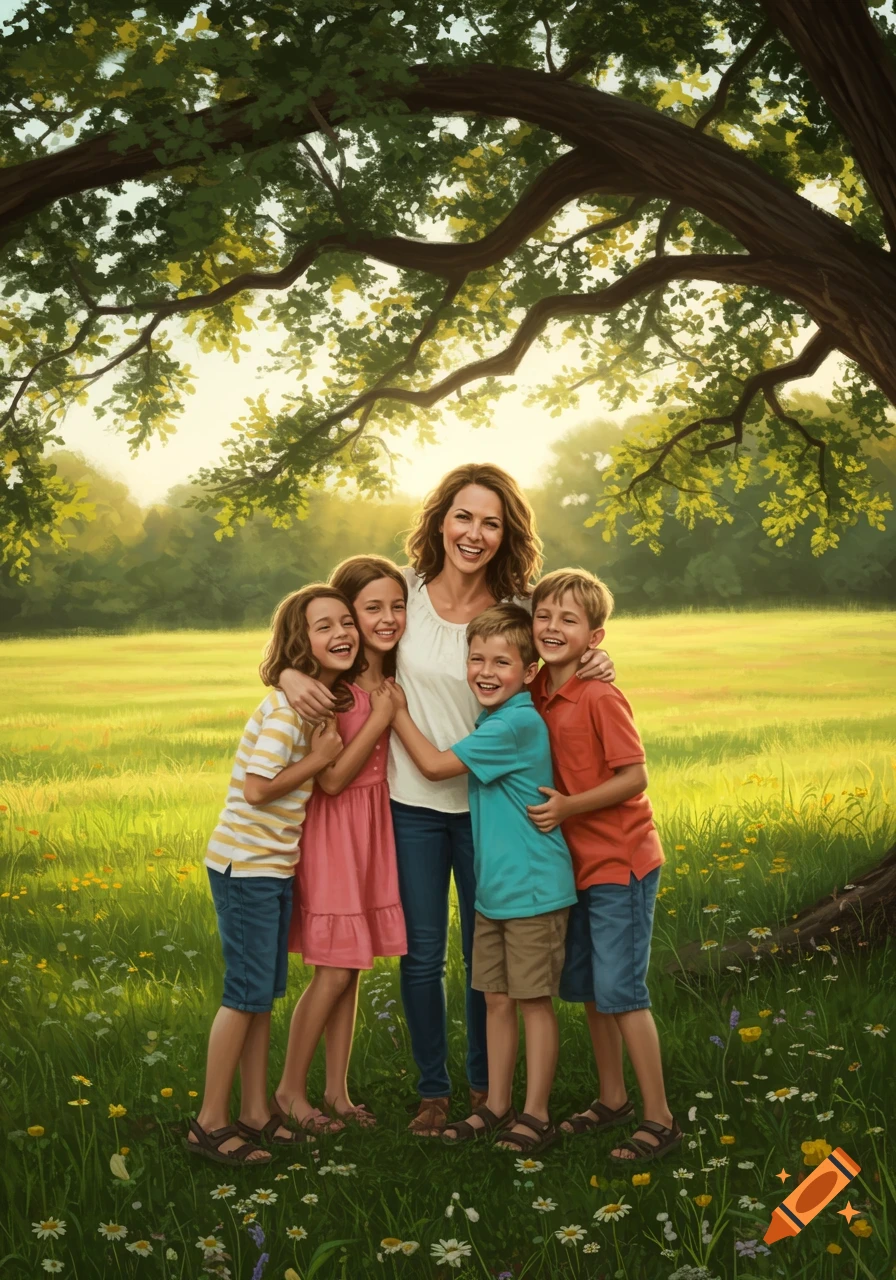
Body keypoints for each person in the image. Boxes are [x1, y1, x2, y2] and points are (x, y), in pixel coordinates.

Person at [279, 463, 614, 1137]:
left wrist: (599, 664)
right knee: (423, 954)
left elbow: (561, 654)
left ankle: (487, 1090)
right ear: (439, 520)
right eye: (463, 517)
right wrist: (287, 672)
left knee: (482, 957)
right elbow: (324, 633)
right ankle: (435, 1091)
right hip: (411, 803)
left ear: (506, 533)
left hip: (493, 812)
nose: (475, 533)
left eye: (491, 522)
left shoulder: (519, 610)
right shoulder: (400, 594)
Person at [388, 603, 577, 1155]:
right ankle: (495, 1104)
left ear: (528, 671)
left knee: (532, 1000)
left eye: (502, 661)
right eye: (476, 660)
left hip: (533, 891)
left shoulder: (516, 723)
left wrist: (397, 711)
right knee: (495, 996)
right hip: (498, 892)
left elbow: (434, 767)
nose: (486, 672)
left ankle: (534, 1113)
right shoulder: (493, 719)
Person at [185, 585, 352, 1165]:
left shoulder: (314, 703)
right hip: (247, 867)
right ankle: (210, 1121)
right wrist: (320, 759)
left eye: (345, 622)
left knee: (262, 995)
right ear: (297, 643)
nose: (341, 633)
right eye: (322, 626)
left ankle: (256, 1111)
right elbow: (257, 791)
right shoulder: (287, 711)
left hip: (270, 868)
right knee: (244, 995)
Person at [527, 568, 681, 1163]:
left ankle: (660, 1118)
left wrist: (568, 806)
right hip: (573, 866)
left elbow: (635, 777)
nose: (551, 627)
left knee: (621, 989)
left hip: (621, 861)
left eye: (569, 620)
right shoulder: (538, 689)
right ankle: (612, 1098)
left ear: (595, 637)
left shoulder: (600, 693)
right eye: (544, 615)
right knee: (590, 987)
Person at [273, 557, 408, 1135]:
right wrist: (379, 718)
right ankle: (288, 1092)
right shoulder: (338, 690)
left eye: (395, 606)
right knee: (330, 971)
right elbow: (329, 779)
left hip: (374, 832)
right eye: (368, 609)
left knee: (351, 969)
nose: (382, 620)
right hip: (334, 833)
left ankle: (337, 1092)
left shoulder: (392, 675)